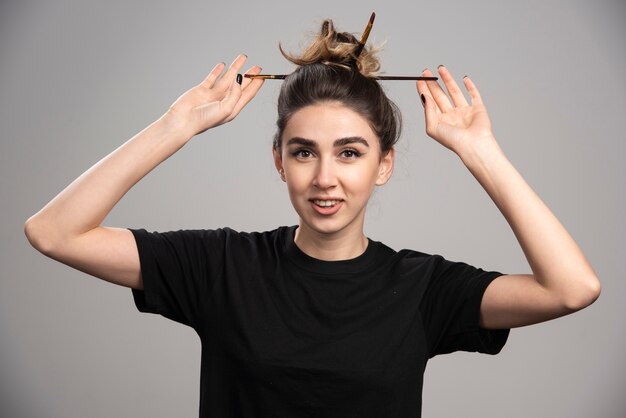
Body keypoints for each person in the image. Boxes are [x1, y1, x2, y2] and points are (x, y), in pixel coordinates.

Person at [24, 17, 600, 418]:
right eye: (304, 151)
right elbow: (53, 232)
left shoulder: (423, 288)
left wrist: (481, 152)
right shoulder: (221, 266)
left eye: (350, 152)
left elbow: (572, 288)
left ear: (384, 164)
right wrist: (176, 127)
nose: (325, 177)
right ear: (279, 160)